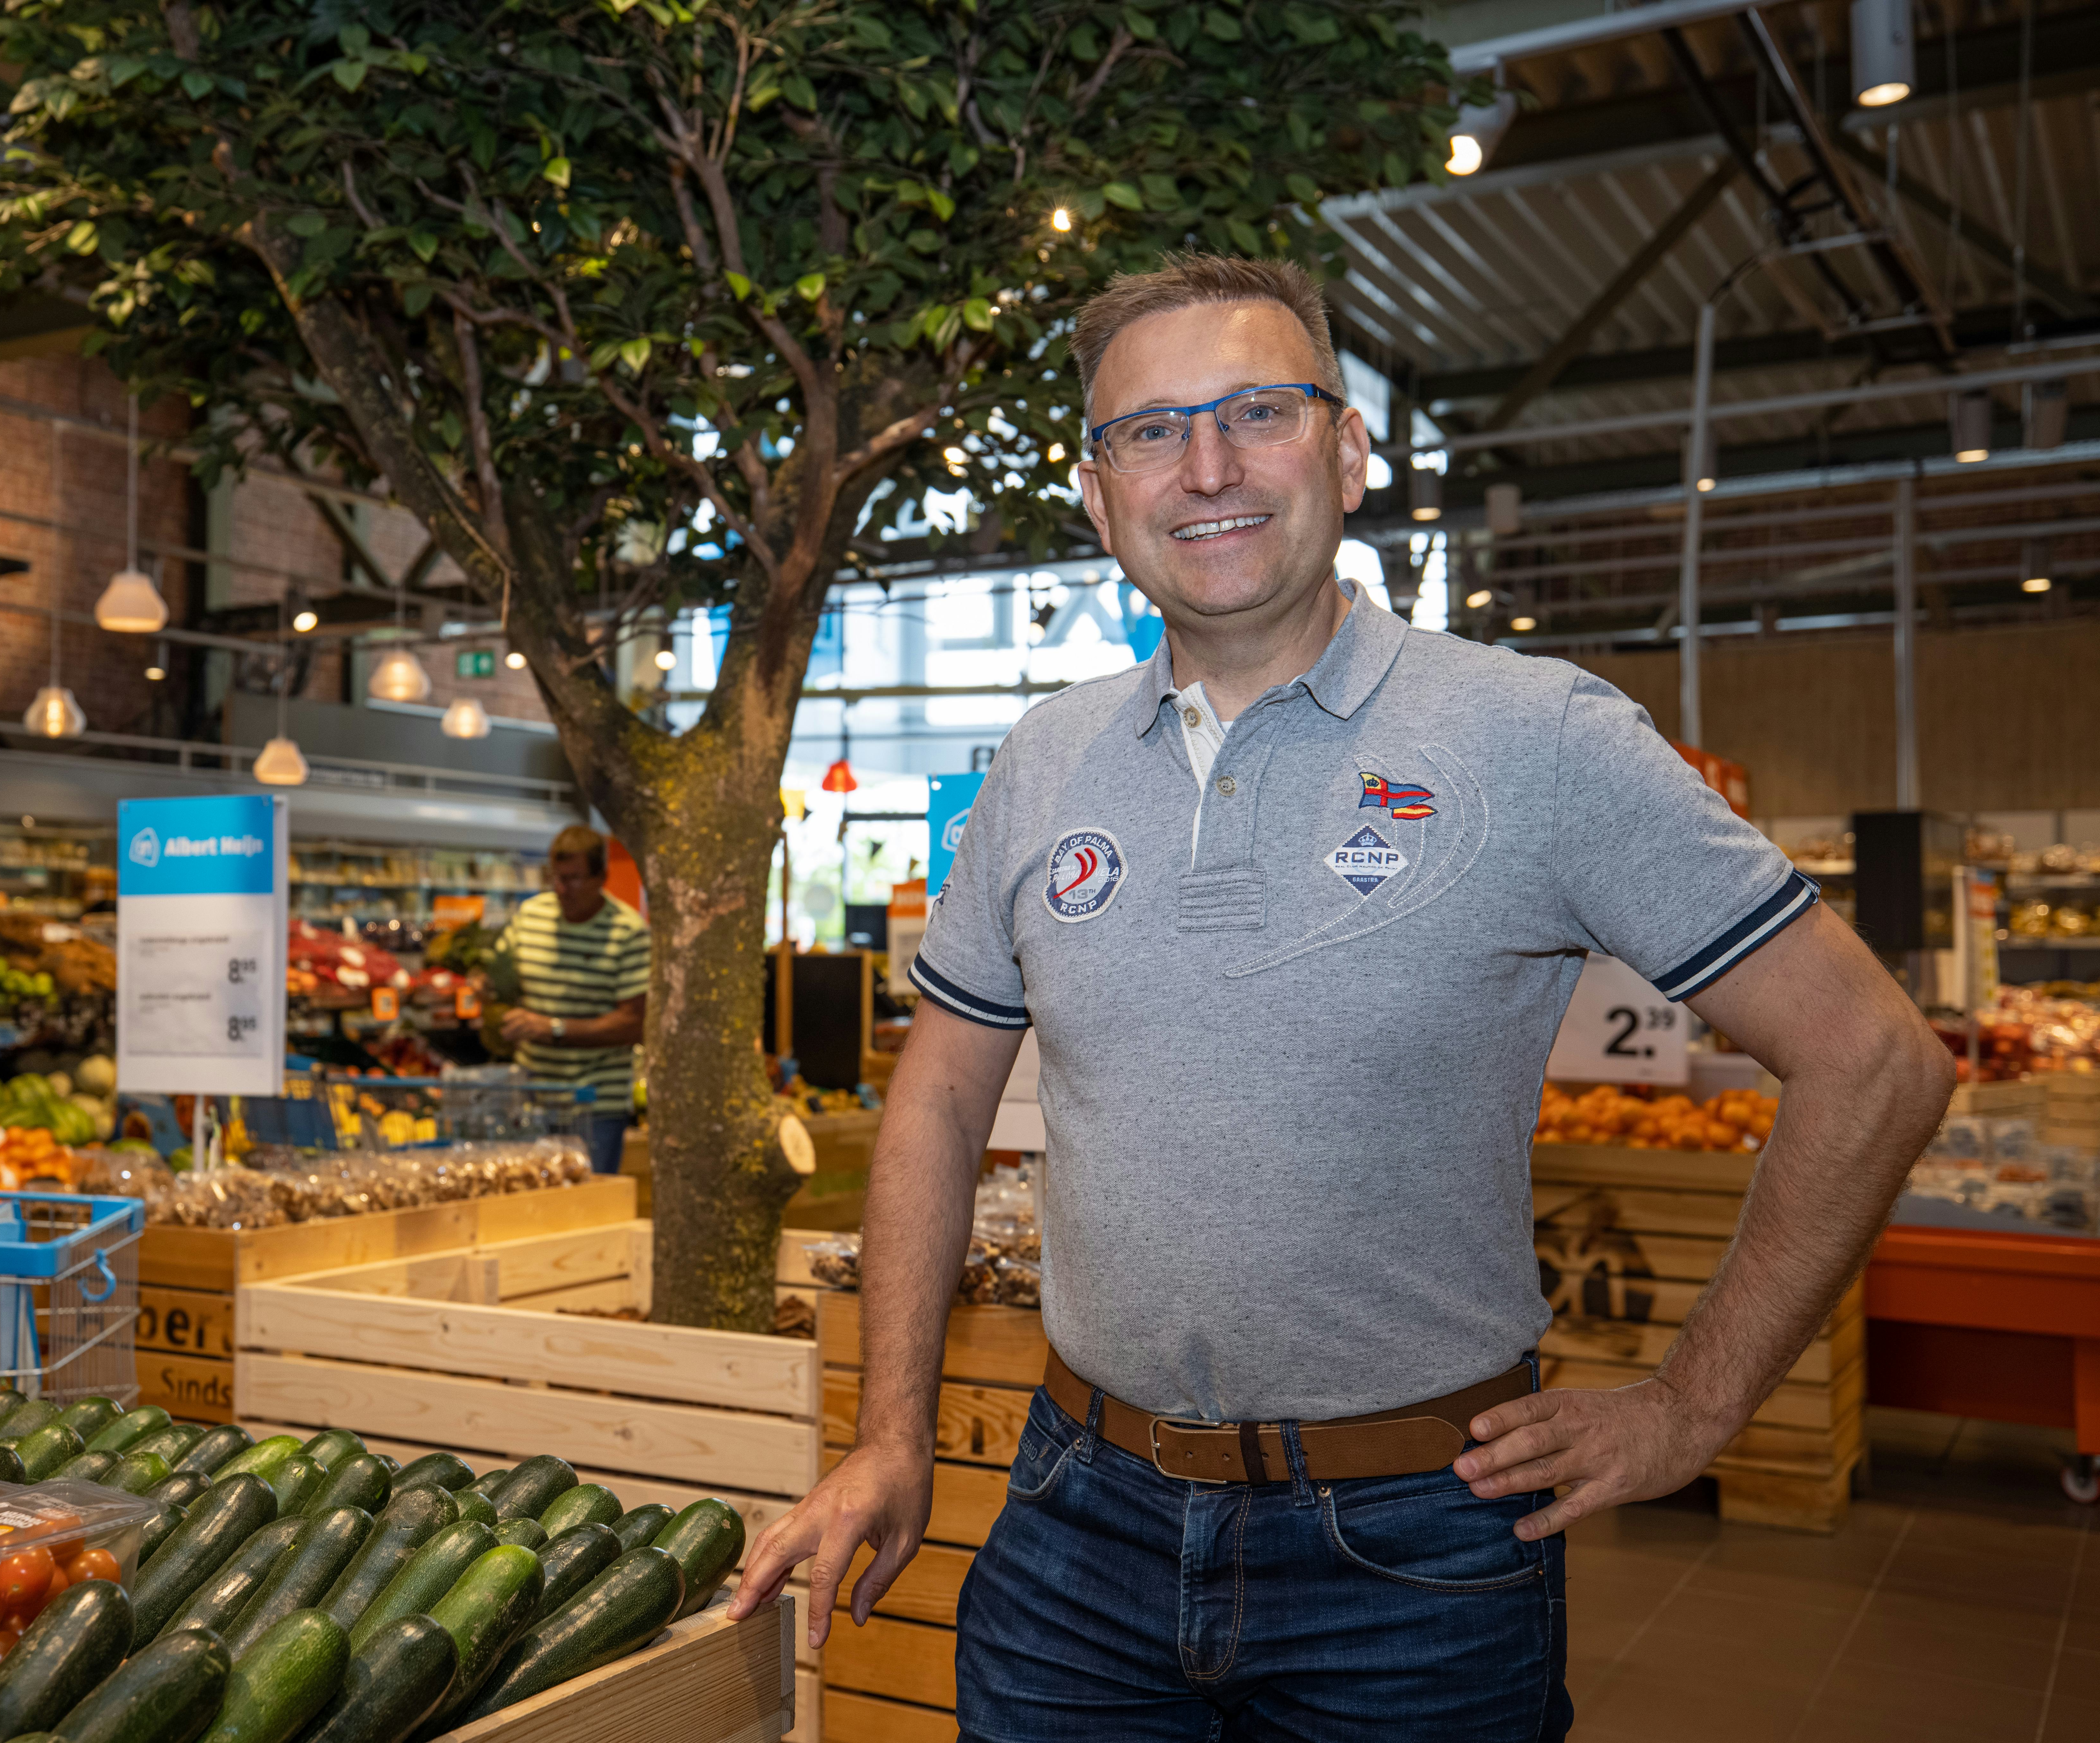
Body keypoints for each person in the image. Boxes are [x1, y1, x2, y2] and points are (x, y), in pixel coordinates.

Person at [728, 255, 1954, 1739]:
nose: (1206, 468)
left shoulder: (1533, 736)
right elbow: (933, 1100)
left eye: (1258, 410)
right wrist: (891, 1431)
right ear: (1100, 491)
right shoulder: (1043, 762)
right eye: (1150, 431)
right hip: (1073, 1522)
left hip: (1414, 1558)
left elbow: (1874, 1061)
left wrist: (1696, 1406)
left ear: (1350, 452)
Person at [490, 824, 649, 1175]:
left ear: (601, 877)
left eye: (574, 879)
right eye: (556, 878)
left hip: (595, 1106)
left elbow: (634, 1024)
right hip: (534, 1097)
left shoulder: (627, 932)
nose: (562, 889)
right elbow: (500, 983)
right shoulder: (531, 916)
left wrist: (555, 1029)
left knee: (588, 1210)